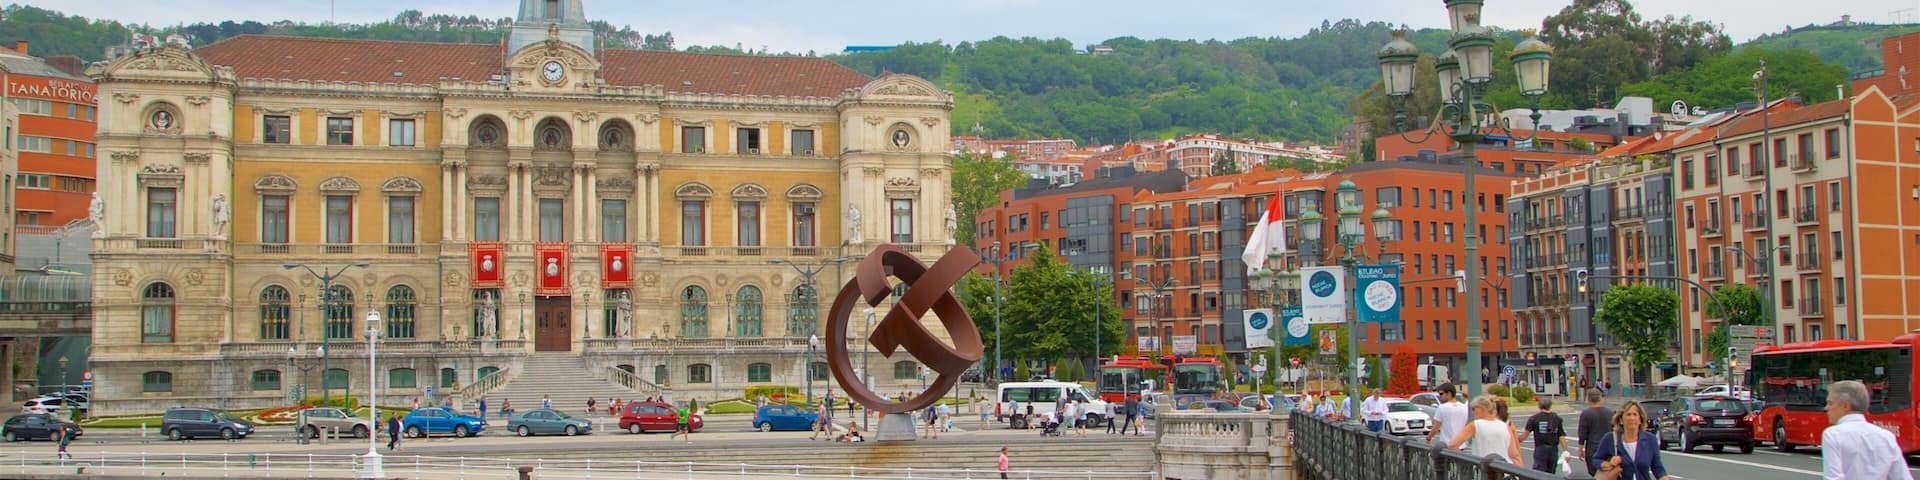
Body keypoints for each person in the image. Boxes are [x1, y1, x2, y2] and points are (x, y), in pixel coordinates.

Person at [1821, 380, 1913, 479]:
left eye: (1830, 403)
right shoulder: (1886, 436)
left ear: (1846, 406)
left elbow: (1833, 477)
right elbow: (1902, 477)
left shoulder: (1833, 434)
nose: (1826, 408)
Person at [1589, 401, 1667, 480]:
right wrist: (1608, 464)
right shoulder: (1610, 438)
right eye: (1628, 414)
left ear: (1640, 420)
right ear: (1621, 420)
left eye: (1635, 414)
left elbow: (1658, 468)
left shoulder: (1651, 440)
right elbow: (1596, 459)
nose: (1632, 418)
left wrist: (1664, 477)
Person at [1446, 395, 1521, 464]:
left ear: (1481, 409)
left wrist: (1464, 462)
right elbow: (1515, 455)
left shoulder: (1475, 425)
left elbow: (1453, 445)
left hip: (1483, 470)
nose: (1472, 412)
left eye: (1473, 409)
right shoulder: (1505, 426)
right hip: (1504, 470)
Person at [1520, 398, 1566, 473]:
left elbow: (1524, 435)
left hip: (1540, 449)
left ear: (1539, 406)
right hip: (1553, 449)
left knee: (1539, 472)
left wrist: (1516, 441)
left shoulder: (1534, 418)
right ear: (1550, 406)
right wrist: (1566, 451)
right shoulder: (1557, 418)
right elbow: (1561, 436)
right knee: (1551, 473)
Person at [1576, 390, 1614, 475]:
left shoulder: (1586, 414)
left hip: (1592, 448)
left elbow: (1582, 434)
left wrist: (1580, 449)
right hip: (1608, 449)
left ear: (1588, 399)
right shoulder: (1609, 412)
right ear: (1600, 398)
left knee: (1594, 474)